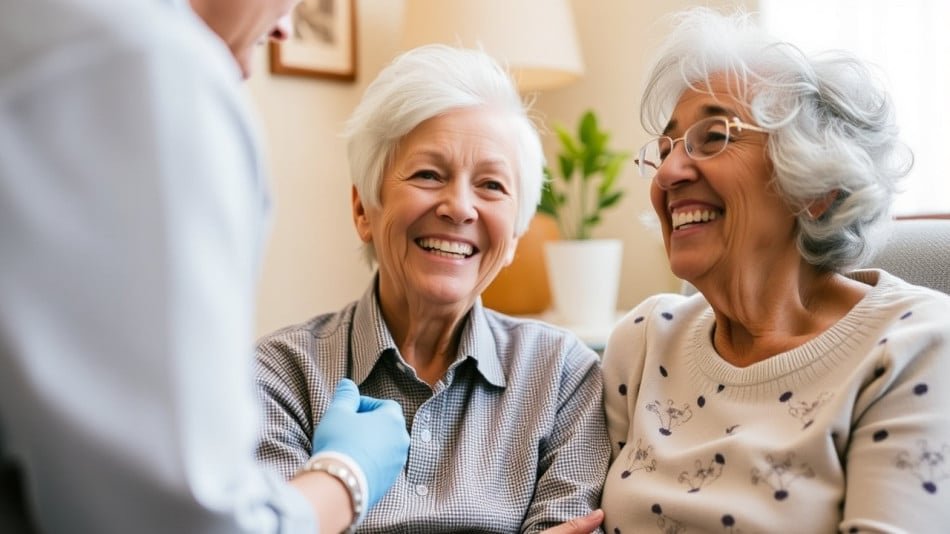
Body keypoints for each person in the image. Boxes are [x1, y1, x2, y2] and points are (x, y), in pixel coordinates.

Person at [0, 0, 410, 532]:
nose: (285, 28)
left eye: (493, 185)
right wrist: (346, 477)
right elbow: (186, 521)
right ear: (363, 209)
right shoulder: (145, 65)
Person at [599, 7, 950, 533]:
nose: (669, 171)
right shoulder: (645, 340)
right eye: (667, 146)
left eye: (713, 136)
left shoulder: (913, 346)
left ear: (815, 188)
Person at [254, 44, 610, 533]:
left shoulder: (563, 378)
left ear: (514, 237)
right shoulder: (279, 377)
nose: (459, 207)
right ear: (363, 210)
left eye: (491, 185)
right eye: (428, 174)